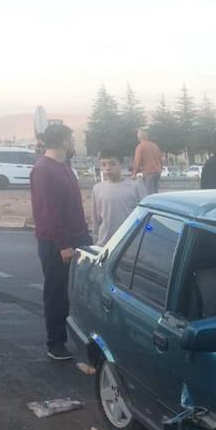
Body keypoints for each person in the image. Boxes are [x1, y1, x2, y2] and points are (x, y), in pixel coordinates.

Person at [30, 123, 92, 361]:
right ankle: (55, 343)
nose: (74, 143)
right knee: (57, 293)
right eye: (72, 138)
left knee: (83, 290)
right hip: (57, 242)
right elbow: (49, 212)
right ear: (65, 141)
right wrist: (63, 245)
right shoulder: (43, 169)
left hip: (78, 236)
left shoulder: (63, 166)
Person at [91, 150, 143, 243]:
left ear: (121, 165)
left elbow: (143, 216)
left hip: (129, 242)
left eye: (112, 164)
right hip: (105, 243)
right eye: (104, 164)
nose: (108, 168)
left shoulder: (135, 187)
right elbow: (96, 219)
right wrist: (96, 238)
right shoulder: (97, 189)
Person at [133, 127, 163, 196]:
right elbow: (160, 160)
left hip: (148, 172)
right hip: (157, 172)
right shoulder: (155, 145)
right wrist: (160, 169)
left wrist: (135, 173)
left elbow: (137, 162)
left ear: (139, 138)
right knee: (156, 193)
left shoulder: (140, 147)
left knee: (149, 194)